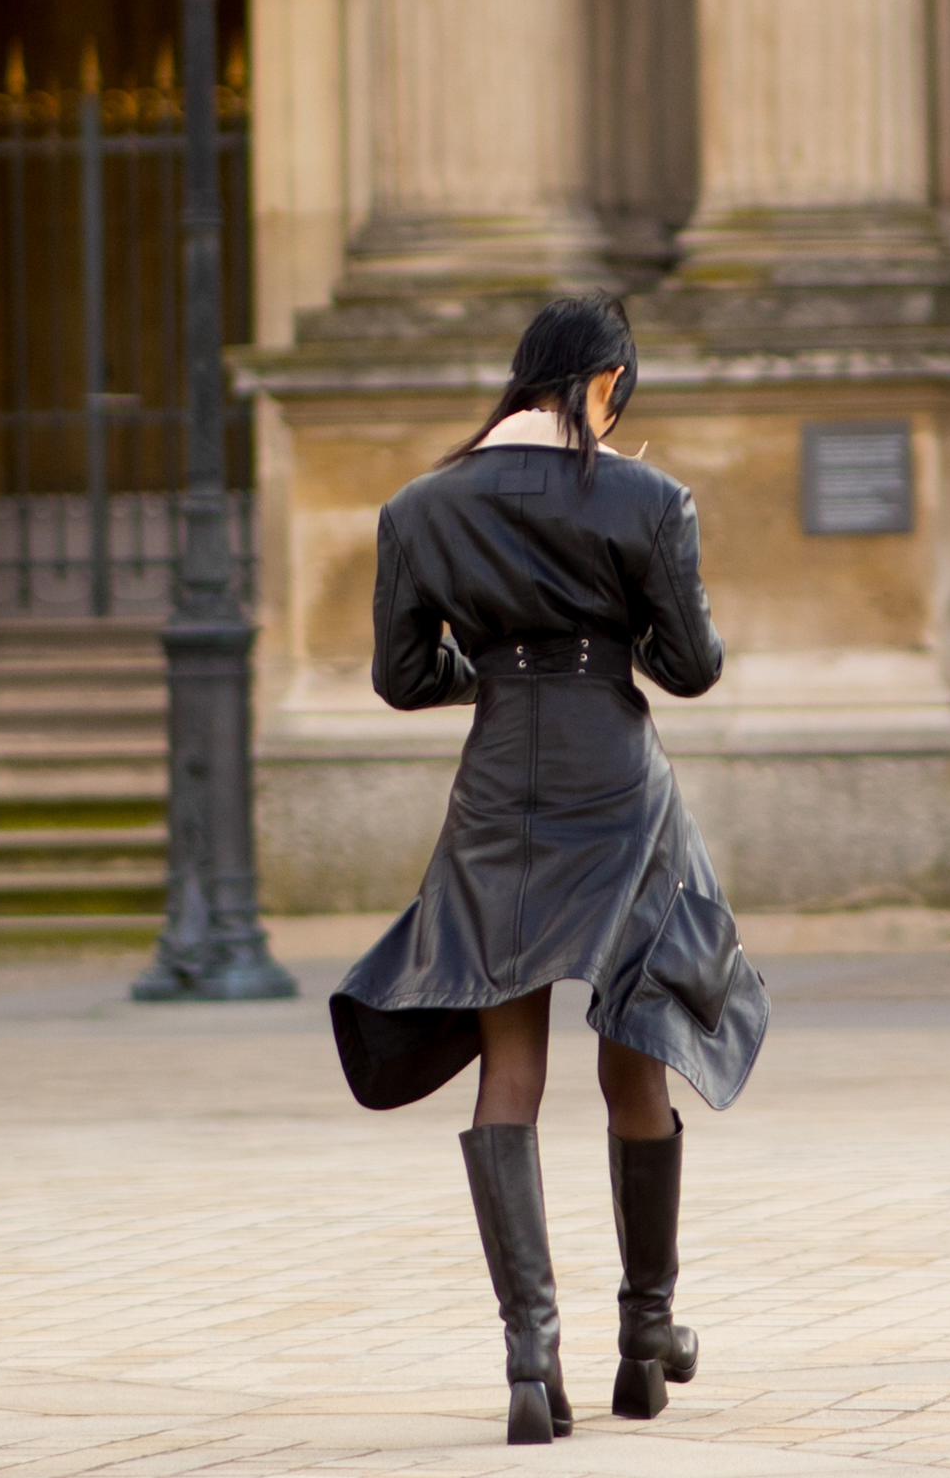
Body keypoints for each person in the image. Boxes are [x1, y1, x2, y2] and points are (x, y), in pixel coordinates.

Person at [328, 294, 770, 1447]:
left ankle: (532, 1364)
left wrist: (496, 671)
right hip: (619, 791)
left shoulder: (420, 505)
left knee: (508, 1067)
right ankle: (647, 1331)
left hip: (497, 793)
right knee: (640, 1050)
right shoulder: (645, 496)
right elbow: (694, 666)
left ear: (524, 380)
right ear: (606, 382)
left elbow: (401, 679)